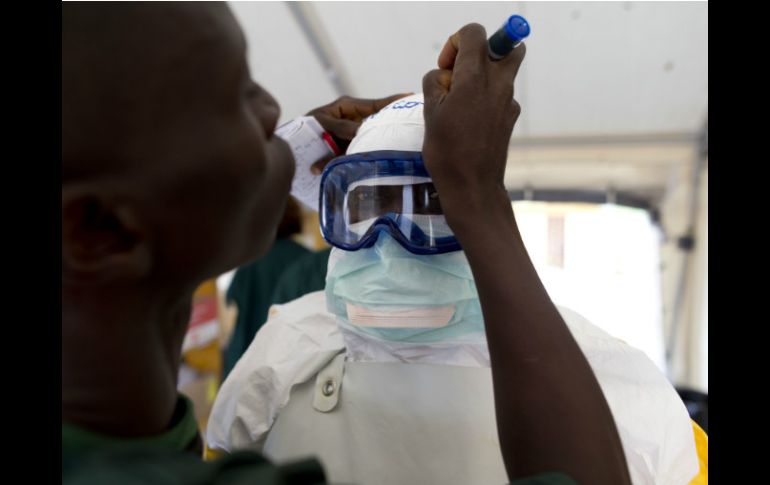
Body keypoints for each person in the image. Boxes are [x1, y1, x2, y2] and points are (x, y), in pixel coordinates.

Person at [63, 2, 632, 483]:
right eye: (234, 94)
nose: (273, 110)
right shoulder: (282, 362)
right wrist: (476, 197)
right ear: (101, 231)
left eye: (429, 207)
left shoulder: (129, 438)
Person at [207, 94, 702, 485]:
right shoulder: (286, 349)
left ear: (481, 205)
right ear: (333, 213)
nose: (392, 243)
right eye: (369, 208)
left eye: (433, 205)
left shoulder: (615, 381)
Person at [223, 196, 310, 379]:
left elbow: (233, 308)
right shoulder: (308, 260)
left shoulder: (249, 262)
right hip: (295, 367)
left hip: (251, 364)